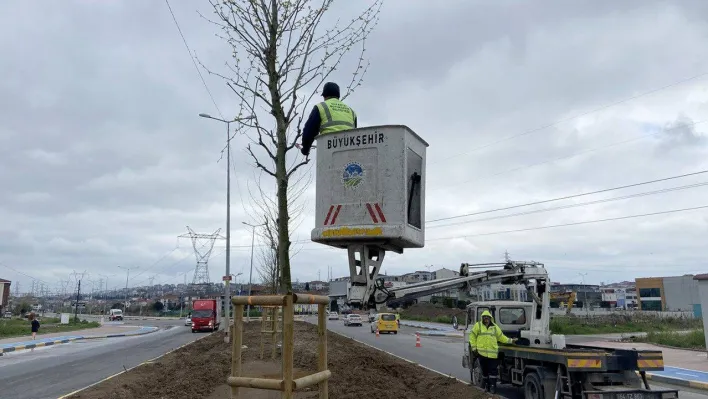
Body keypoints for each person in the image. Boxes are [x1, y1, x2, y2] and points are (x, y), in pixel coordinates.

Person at [299, 82, 357, 156]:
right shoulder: (351, 111)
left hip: (329, 148)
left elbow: (309, 131)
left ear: (324, 95)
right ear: (338, 96)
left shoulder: (321, 107)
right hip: (349, 150)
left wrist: (305, 149)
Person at [469, 310, 517, 393]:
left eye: (488, 317)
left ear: (490, 318)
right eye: (485, 317)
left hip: (493, 355)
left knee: (493, 372)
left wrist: (511, 341)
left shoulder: (495, 327)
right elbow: (472, 336)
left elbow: (501, 337)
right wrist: (474, 348)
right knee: (484, 372)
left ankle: (492, 387)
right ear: (482, 318)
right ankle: (486, 386)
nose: (486, 319)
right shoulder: (478, 326)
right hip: (482, 353)